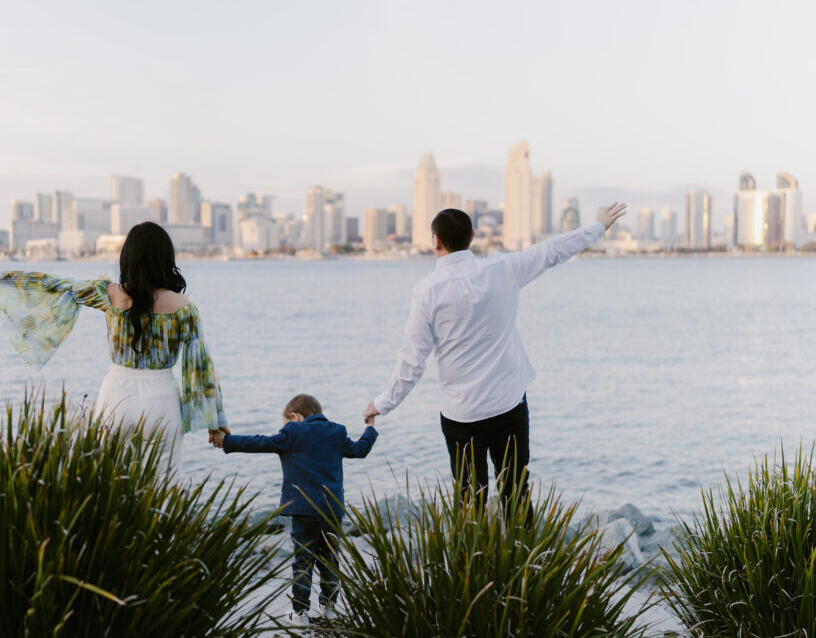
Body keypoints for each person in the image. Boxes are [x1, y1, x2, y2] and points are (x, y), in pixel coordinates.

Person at [362, 203, 627, 510]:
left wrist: (382, 404)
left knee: (468, 499)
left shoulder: (426, 293)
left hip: (462, 415)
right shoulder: (503, 269)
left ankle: (471, 557)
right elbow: (552, 251)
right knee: (516, 492)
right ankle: (525, 556)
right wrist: (597, 227)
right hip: (508, 405)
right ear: (472, 236)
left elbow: (411, 364)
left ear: (435, 241)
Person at [0, 221, 230, 473]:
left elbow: (53, 284)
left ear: (127, 258)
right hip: (161, 401)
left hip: (117, 395)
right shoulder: (184, 308)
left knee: (108, 483)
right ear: (166, 258)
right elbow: (200, 367)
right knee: (163, 486)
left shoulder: (108, 294)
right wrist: (216, 422)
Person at [213, 394, 377, 628]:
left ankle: (300, 613)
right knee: (330, 559)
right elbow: (361, 449)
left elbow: (259, 442)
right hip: (332, 511)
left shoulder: (292, 432)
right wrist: (370, 426)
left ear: (294, 417)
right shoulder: (337, 432)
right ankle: (329, 608)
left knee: (302, 561)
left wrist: (226, 441)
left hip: (303, 511)